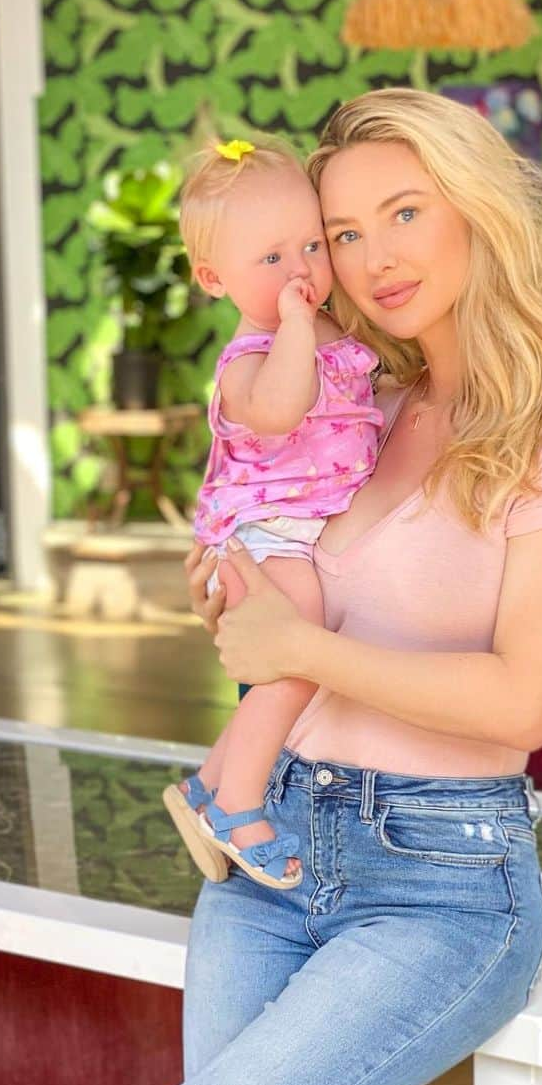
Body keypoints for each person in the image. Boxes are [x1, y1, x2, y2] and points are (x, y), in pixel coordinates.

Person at [117, 88, 542, 1085]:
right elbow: (288, 634)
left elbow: (526, 704)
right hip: (272, 844)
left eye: (404, 210)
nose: (372, 255)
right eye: (343, 230)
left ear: (475, 209)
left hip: (442, 883)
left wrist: (302, 653)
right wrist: (240, 604)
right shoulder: (355, 407)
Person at [164, 135, 383, 890]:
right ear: (213, 278)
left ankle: (206, 783)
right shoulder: (251, 357)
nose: (301, 272)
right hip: (263, 532)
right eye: (271, 260)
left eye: (313, 245)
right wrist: (295, 326)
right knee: (294, 657)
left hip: (295, 528)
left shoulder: (322, 331)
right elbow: (283, 411)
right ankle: (237, 807)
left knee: (289, 666)